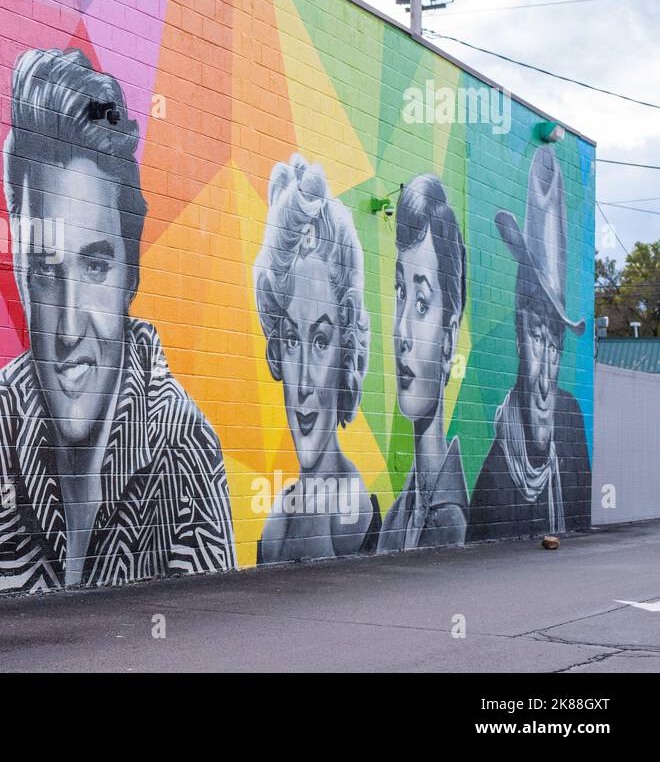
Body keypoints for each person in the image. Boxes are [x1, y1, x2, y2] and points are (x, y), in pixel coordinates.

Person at [0, 48, 234, 604]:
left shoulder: (183, 447)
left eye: (95, 266)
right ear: (19, 271)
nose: (69, 326)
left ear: (130, 274)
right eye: (46, 270)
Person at [253, 155, 379, 562]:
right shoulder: (278, 520)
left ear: (348, 355)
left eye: (322, 340)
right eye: (292, 339)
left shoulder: (348, 511)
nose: (304, 381)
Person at [468, 146, 590, 541]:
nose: (546, 376)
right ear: (520, 339)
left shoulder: (570, 419)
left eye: (555, 344)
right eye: (538, 338)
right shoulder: (493, 478)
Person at [378, 175, 469, 552]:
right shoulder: (397, 517)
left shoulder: (452, 524)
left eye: (421, 303)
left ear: (449, 338)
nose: (402, 330)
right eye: (401, 291)